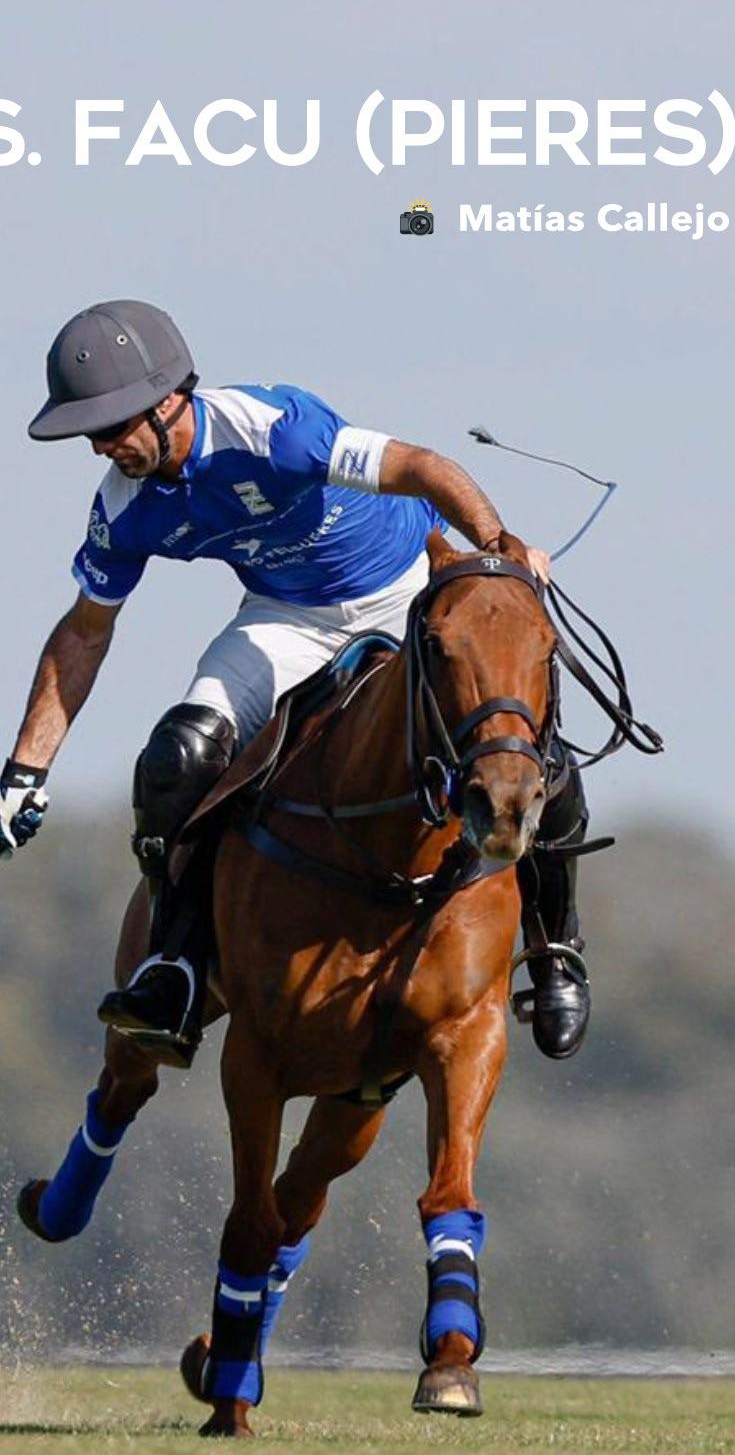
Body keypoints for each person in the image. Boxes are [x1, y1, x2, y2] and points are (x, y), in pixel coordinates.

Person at [1, 299, 591, 1066]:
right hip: (288, 618)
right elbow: (85, 631)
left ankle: (554, 949)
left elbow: (422, 468)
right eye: (91, 433)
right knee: (177, 757)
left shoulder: (273, 428)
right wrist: (26, 771)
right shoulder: (124, 507)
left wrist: (496, 552)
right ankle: (174, 964)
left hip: (407, 592)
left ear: (168, 399)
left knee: (531, 753)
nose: (101, 447)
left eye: (111, 427)